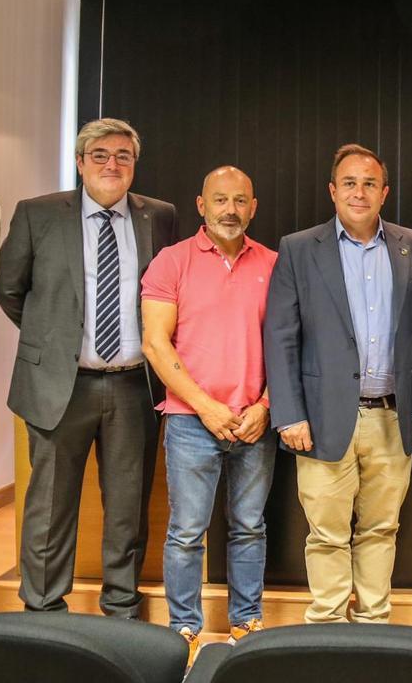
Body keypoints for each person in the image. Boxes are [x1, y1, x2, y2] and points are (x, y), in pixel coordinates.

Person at [0, 118, 178, 616]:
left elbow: (170, 296)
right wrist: (55, 342)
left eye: (123, 156)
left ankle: (121, 608)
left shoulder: (159, 217)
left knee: (126, 508)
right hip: (59, 383)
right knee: (49, 507)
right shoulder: (38, 214)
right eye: (100, 155)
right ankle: (44, 608)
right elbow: (10, 290)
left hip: (133, 386)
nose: (111, 165)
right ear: (80, 162)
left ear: (134, 165)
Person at [263, 143, 412, 624]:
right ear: (332, 190)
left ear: (384, 193)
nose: (359, 192)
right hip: (321, 418)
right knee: (325, 533)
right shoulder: (299, 249)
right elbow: (281, 336)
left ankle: (372, 626)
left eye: (369, 183)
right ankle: (325, 626)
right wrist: (288, 414)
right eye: (349, 183)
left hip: (393, 415)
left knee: (381, 529)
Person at [141, 166, 278, 664]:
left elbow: (288, 348)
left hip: (254, 424)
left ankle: (247, 623)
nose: (230, 210)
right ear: (201, 205)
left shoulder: (274, 264)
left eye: (240, 201)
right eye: (220, 200)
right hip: (190, 421)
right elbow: (155, 344)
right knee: (185, 532)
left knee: (249, 527)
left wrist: (264, 407)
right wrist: (206, 407)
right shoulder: (171, 262)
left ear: (253, 207)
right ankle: (184, 630)